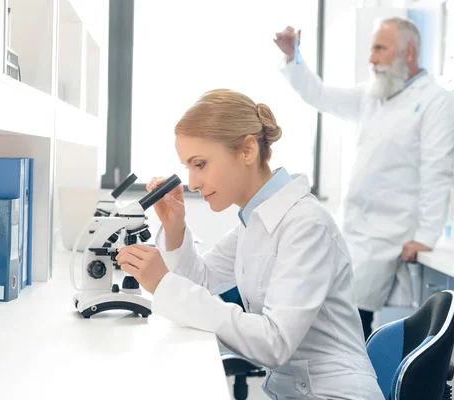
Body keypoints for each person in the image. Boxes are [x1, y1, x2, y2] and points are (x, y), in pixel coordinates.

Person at [116, 89, 384, 399]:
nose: (191, 183)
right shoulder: (256, 220)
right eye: (187, 167)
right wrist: (175, 228)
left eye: (199, 164)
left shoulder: (305, 225)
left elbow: (275, 343)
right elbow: (201, 282)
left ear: (246, 150)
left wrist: (163, 283)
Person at [274, 18, 454, 339]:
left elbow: (438, 173)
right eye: (372, 49)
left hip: (388, 237)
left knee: (353, 327)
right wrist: (295, 58)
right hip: (351, 231)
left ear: (408, 52)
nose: (371, 58)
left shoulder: (436, 102)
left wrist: (427, 236)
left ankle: (357, 387)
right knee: (333, 320)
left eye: (380, 48)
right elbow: (321, 96)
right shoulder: (373, 94)